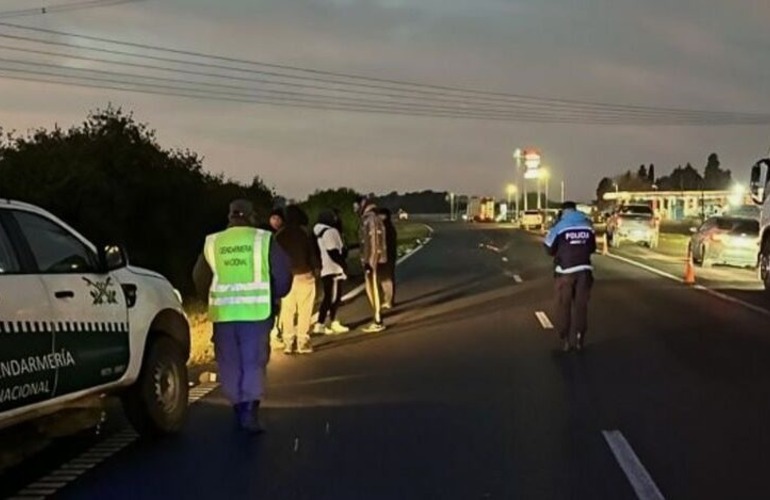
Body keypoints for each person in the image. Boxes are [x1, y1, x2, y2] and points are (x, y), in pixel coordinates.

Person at [192, 199, 292, 433]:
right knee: (253, 361)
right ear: (251, 216)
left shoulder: (213, 242)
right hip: (255, 312)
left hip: (224, 314)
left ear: (230, 217)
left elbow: (199, 277)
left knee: (229, 362)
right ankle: (249, 410)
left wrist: (210, 298)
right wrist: (274, 295)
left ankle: (238, 405)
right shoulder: (263, 240)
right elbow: (283, 274)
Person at [543, 201, 596, 352]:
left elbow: (548, 248)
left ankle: (565, 338)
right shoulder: (588, 225)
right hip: (585, 270)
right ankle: (580, 337)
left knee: (563, 305)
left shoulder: (559, 226)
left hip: (565, 272)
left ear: (563, 211)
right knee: (581, 306)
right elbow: (592, 247)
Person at [275, 205, 319, 354]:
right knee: (305, 308)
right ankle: (303, 340)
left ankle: (288, 341)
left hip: (286, 276)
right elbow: (312, 254)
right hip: (304, 273)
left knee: (287, 309)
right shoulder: (304, 234)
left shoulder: (279, 236)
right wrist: (316, 269)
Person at [312, 210, 350, 335]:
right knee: (333, 298)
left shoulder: (318, 233)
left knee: (329, 297)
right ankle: (326, 323)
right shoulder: (330, 232)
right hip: (333, 269)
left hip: (326, 268)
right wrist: (343, 265)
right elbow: (333, 251)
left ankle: (323, 323)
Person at [356, 196, 388, 333]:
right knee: (372, 289)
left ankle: (378, 319)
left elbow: (374, 241)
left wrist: (370, 261)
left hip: (372, 261)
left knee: (373, 288)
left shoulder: (371, 219)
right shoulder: (370, 218)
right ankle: (377, 317)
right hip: (370, 260)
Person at [377, 207, 398, 309]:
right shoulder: (388, 227)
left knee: (387, 278)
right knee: (385, 278)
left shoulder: (385, 227)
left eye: (380, 215)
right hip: (388, 256)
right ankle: (388, 299)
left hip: (387, 256)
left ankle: (389, 300)